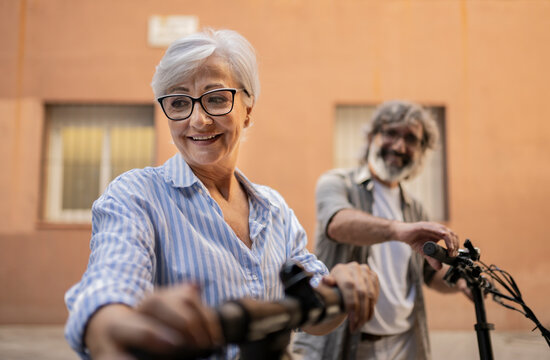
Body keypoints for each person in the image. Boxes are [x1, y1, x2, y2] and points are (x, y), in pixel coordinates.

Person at [64, 29, 379, 360]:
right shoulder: (137, 196)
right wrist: (109, 324)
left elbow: (313, 312)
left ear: (248, 108)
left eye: (215, 98)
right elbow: (111, 279)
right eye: (178, 103)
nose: (198, 120)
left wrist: (342, 286)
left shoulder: (273, 209)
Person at [292, 100, 471, 360]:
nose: (399, 146)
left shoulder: (415, 208)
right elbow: (338, 224)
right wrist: (400, 231)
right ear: (372, 136)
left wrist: (461, 281)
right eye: (390, 133)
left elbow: (428, 275)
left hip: (406, 343)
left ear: (421, 151)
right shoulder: (337, 182)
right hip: (346, 344)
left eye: (411, 139)